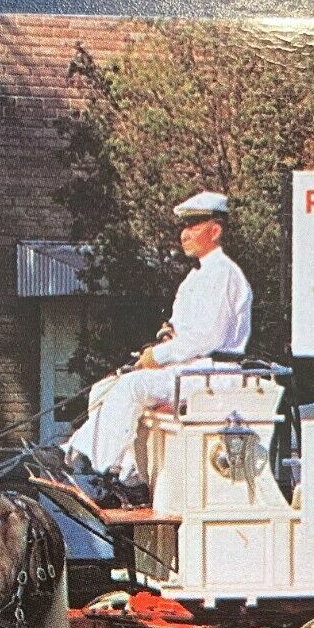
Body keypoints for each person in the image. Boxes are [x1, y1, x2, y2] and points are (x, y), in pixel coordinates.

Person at [65, 191, 253, 505]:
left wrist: (158, 356)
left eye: (193, 226)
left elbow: (206, 339)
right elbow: (179, 328)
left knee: (133, 386)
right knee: (104, 388)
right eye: (185, 226)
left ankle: (100, 471)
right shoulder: (194, 278)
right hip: (191, 367)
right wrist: (164, 339)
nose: (185, 234)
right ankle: (126, 474)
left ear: (215, 231)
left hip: (215, 372)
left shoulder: (224, 274)